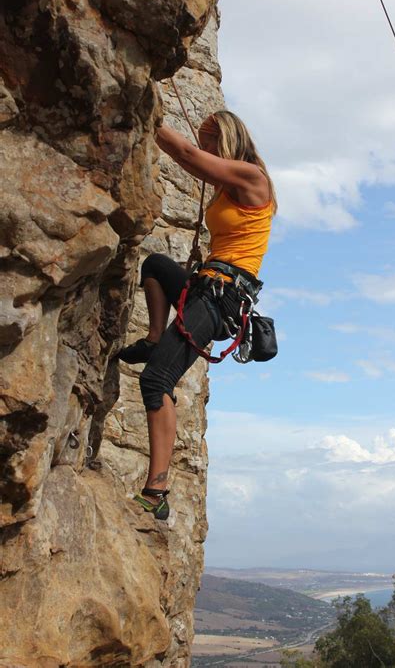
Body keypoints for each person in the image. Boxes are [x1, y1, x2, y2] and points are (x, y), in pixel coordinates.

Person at [118, 110, 277, 520]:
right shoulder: (226, 187)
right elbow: (193, 157)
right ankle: (155, 336)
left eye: (210, 142)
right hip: (204, 285)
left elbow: (187, 154)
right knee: (154, 265)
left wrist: (145, 114)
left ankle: (157, 489)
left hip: (221, 299)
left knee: (156, 379)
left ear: (224, 141)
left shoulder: (252, 178)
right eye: (204, 142)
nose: (204, 148)